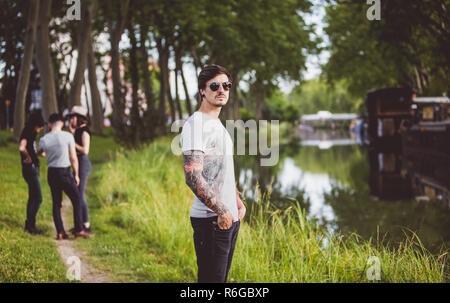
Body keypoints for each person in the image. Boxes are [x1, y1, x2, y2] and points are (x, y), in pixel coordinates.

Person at [180, 64, 246, 283]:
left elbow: (221, 171)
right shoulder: (195, 124)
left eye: (226, 85)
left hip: (227, 217)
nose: (222, 90)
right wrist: (222, 210)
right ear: (202, 90)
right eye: (215, 85)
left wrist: (236, 202)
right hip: (211, 220)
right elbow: (193, 176)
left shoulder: (216, 124)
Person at [38, 113, 94, 239]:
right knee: (77, 198)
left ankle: (60, 231)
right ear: (62, 124)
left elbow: (40, 153)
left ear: (49, 125)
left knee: (56, 203)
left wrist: (47, 154)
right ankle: (79, 229)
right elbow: (74, 158)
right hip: (64, 172)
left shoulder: (44, 139)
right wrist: (76, 174)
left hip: (52, 173)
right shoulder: (68, 136)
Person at [67, 106, 92, 233]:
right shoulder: (77, 131)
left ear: (79, 118)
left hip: (83, 164)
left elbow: (85, 150)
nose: (71, 120)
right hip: (78, 164)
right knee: (77, 194)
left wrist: (72, 141)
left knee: (80, 195)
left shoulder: (84, 131)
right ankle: (80, 224)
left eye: (73, 117)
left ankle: (86, 225)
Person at [19, 112, 45, 235]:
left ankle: (29, 225)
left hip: (31, 168)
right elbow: (21, 147)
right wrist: (29, 157)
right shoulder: (28, 131)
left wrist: (36, 154)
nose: (40, 129)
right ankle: (31, 226)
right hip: (31, 169)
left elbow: (29, 147)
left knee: (32, 197)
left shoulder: (31, 133)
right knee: (38, 198)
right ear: (35, 125)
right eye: (39, 127)